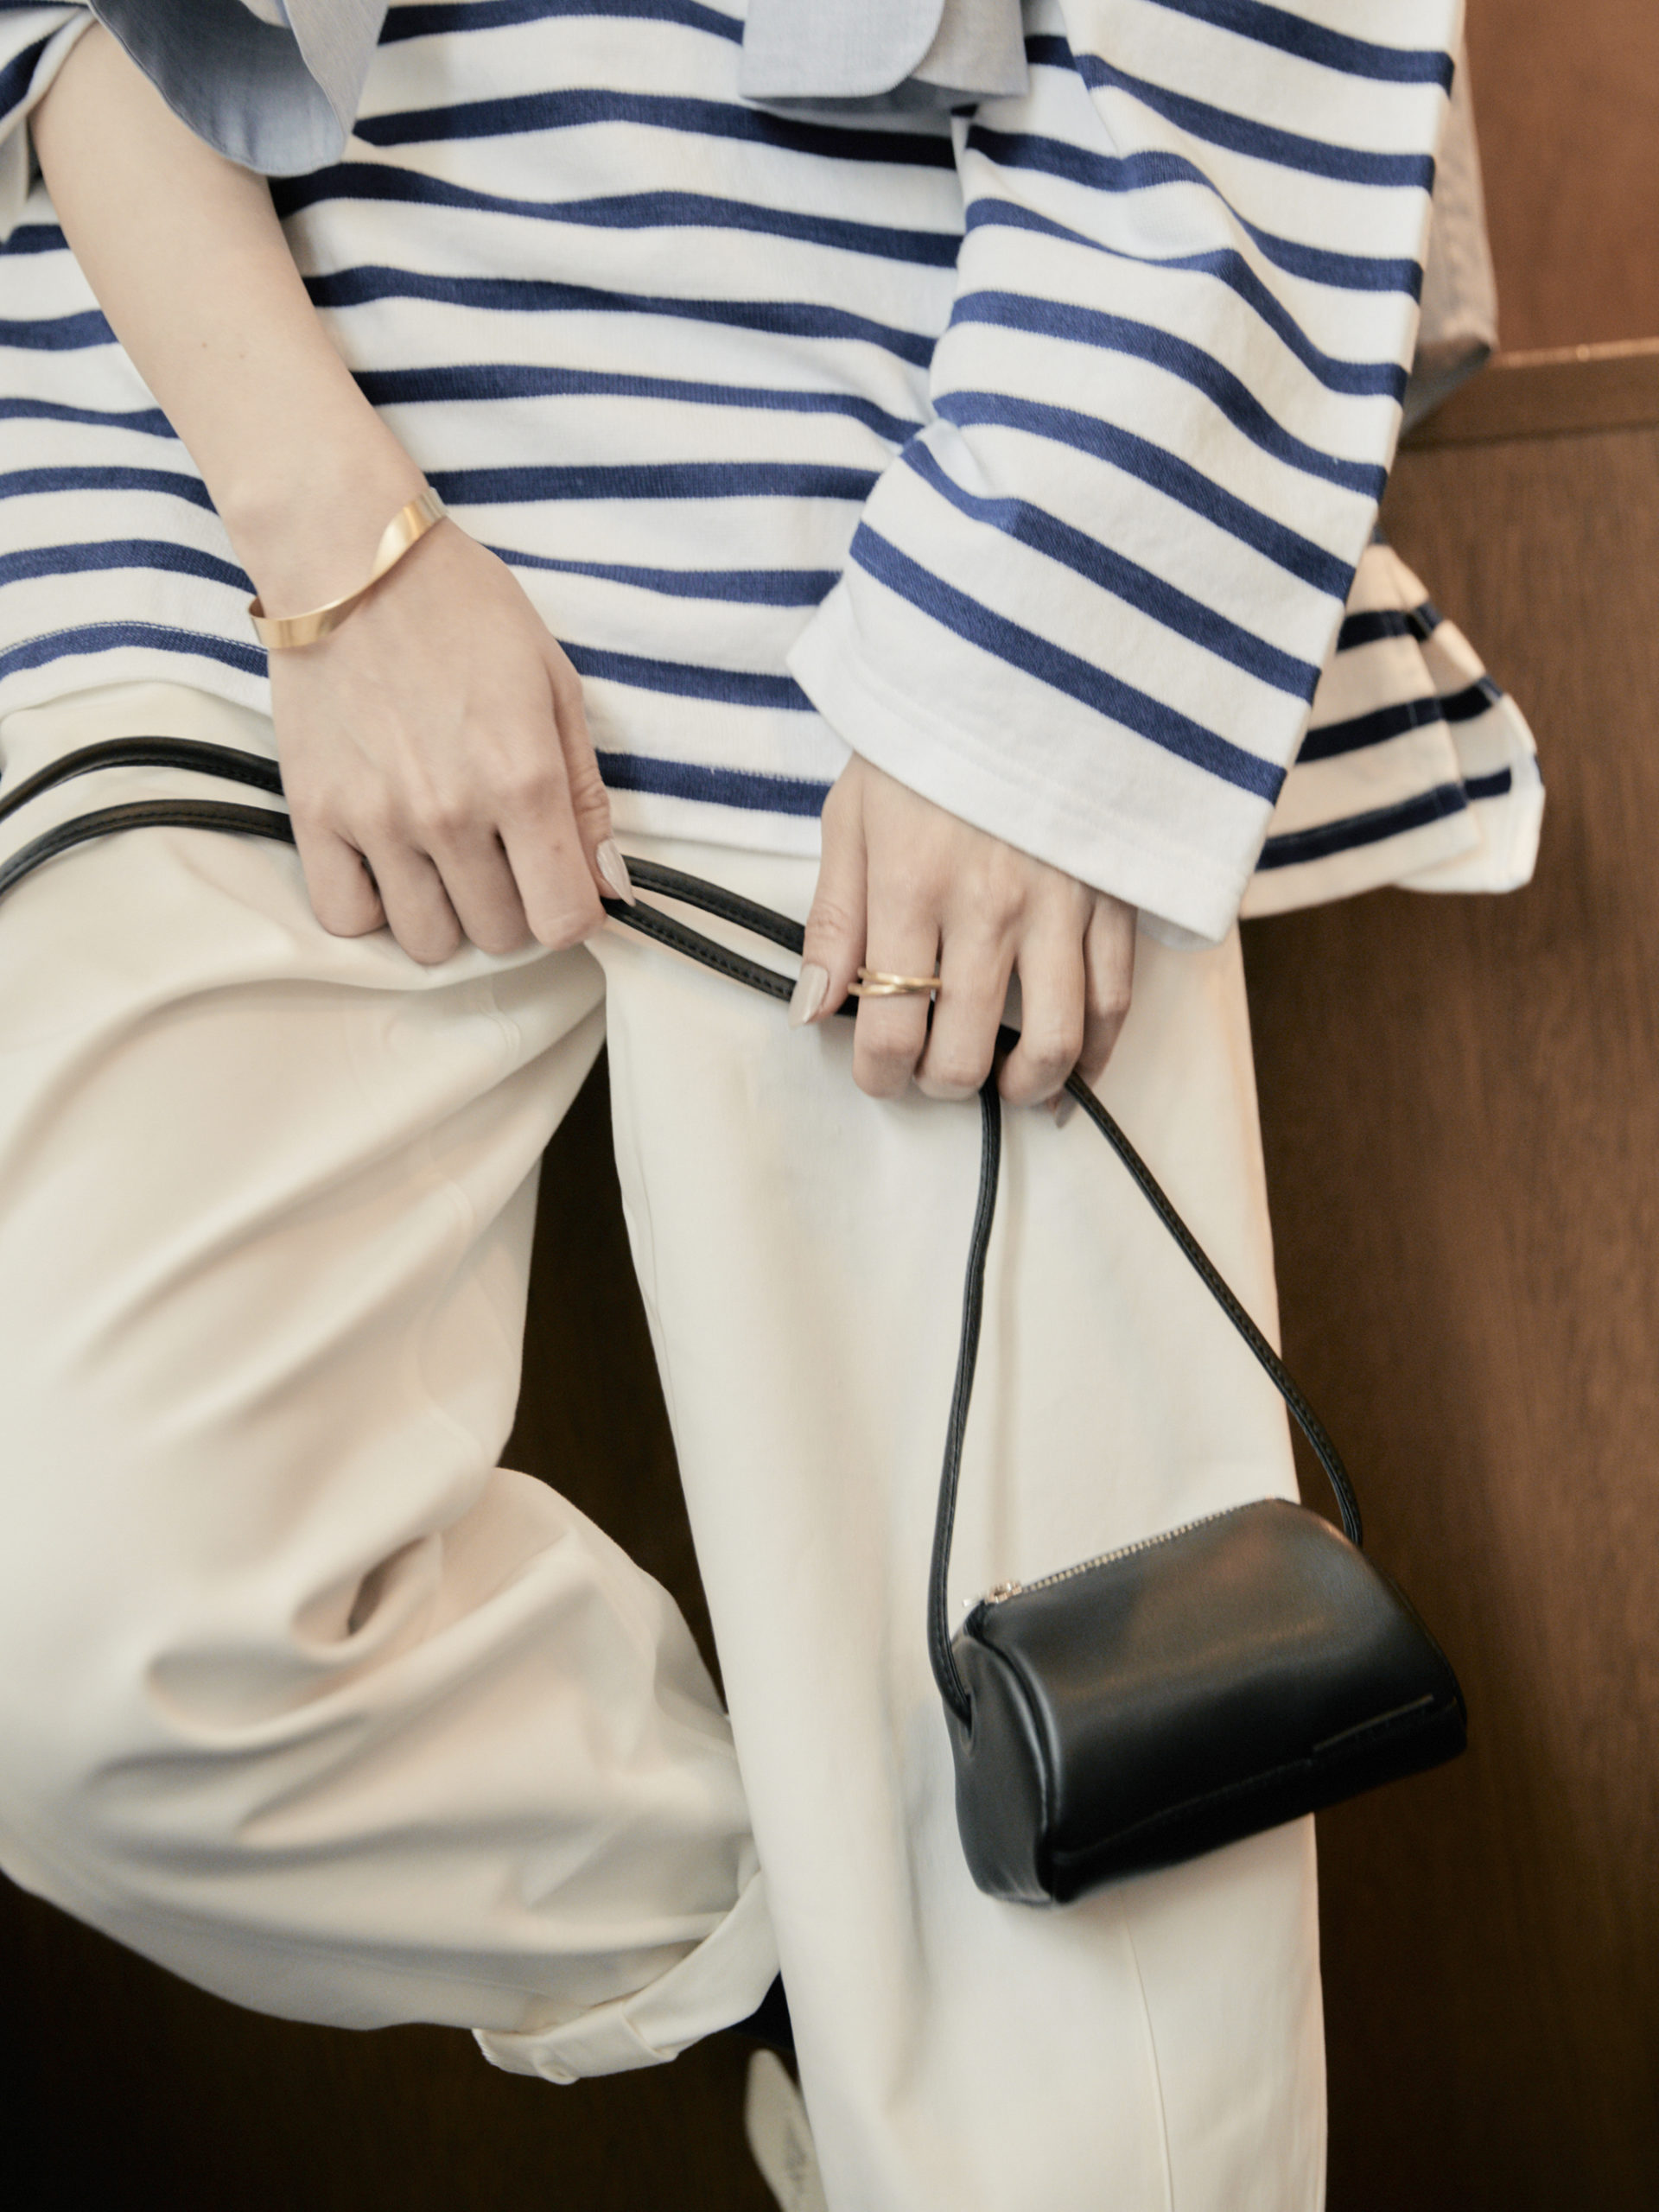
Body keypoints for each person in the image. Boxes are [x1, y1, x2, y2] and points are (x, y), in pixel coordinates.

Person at [0, 6, 1536, 2207]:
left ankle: (947, 2010)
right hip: (214, 505)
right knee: (78, 1628)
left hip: (927, 489)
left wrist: (1021, 652)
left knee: (1100, 2135)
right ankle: (843, 1962)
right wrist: (330, 542)